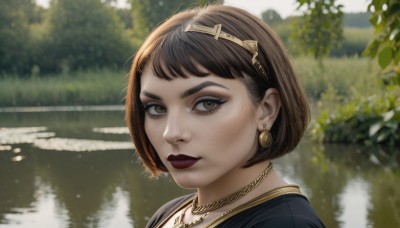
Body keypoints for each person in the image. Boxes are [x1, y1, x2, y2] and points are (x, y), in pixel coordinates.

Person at [125, 4, 325, 228]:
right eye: (156, 108)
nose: (172, 133)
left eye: (206, 103)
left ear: (267, 109)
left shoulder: (287, 224)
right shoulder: (169, 215)